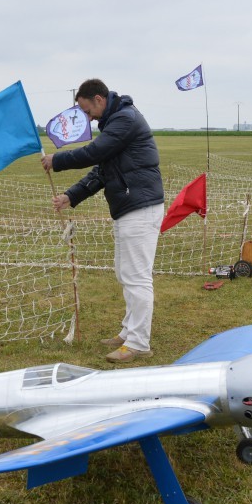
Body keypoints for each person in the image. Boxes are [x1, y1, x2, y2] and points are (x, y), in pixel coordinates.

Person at [41, 79, 165, 363]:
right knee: (125, 274)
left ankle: (138, 343)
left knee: (137, 278)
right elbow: (101, 171)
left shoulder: (125, 119)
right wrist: (70, 196)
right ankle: (128, 332)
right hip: (129, 207)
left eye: (87, 110)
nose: (88, 117)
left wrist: (56, 161)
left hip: (140, 207)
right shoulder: (114, 123)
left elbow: (93, 153)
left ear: (99, 99)